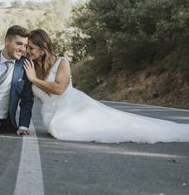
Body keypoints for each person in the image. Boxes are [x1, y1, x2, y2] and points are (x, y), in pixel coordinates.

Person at [23, 28, 189, 143]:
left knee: (121, 125)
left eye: (31, 48)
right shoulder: (31, 66)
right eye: (26, 48)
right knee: (56, 128)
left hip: (75, 106)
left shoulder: (62, 62)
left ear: (43, 48)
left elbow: (59, 89)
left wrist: (34, 79)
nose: (27, 51)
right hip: (50, 114)